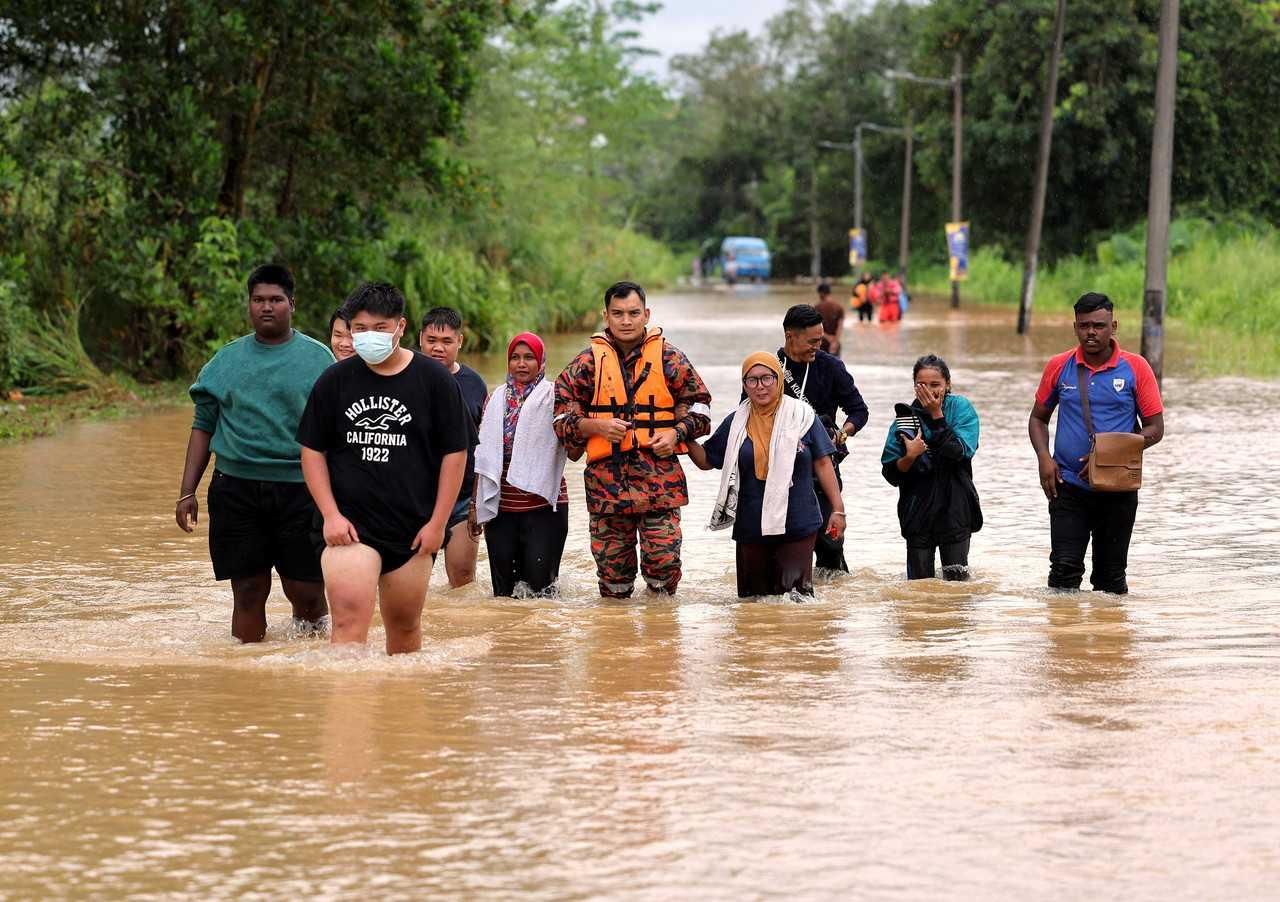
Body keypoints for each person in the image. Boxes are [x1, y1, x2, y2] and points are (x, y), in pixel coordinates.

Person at [296, 282, 468, 654]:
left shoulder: (435, 381)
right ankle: (347, 707)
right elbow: (311, 451)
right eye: (359, 329)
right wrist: (330, 515)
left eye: (380, 328)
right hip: (349, 528)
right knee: (347, 625)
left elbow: (455, 455)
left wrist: (438, 524)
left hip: (413, 528)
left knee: (405, 630)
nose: (367, 337)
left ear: (401, 327)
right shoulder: (334, 381)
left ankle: (399, 709)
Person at [177, 263, 334, 642]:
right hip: (236, 491)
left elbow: (335, 433)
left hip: (301, 492)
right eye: (258, 299)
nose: (267, 307)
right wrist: (187, 491)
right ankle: (246, 682)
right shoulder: (226, 361)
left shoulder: (319, 360)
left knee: (307, 593)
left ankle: (313, 669)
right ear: (248, 304)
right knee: (247, 591)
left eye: (276, 300)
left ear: (292, 304)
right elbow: (203, 426)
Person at [554, 280, 712, 598]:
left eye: (633, 313)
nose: (626, 321)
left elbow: (702, 410)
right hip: (606, 490)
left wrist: (676, 433)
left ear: (646, 314)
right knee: (613, 582)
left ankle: (661, 640)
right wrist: (596, 428)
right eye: (618, 313)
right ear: (606, 316)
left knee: (665, 571)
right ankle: (616, 644)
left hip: (661, 487)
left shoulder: (670, 359)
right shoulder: (586, 364)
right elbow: (559, 419)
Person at [1028, 292, 1164, 594]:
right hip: (1067, 487)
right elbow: (1038, 419)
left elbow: (1155, 429)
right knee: (1063, 571)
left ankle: (1110, 639)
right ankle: (1064, 638)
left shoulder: (1136, 368)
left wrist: (1107, 453)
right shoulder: (1058, 366)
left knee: (1110, 579)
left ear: (1113, 326)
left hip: (1118, 490)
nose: (1091, 332)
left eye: (1099, 325)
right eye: (1084, 325)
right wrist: (1043, 458)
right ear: (1075, 327)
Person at [686, 353, 845, 599]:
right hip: (751, 525)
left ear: (779, 379)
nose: (760, 386)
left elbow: (824, 463)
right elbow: (707, 460)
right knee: (753, 604)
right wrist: (682, 434)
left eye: (767, 378)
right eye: (752, 380)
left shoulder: (802, 416)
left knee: (796, 602)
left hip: (798, 523)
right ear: (744, 385)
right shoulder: (736, 421)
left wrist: (837, 509)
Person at [773, 304, 869, 572]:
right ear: (790, 336)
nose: (818, 346)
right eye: (812, 341)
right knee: (784, 546)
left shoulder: (831, 367)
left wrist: (842, 433)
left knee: (831, 544)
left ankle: (833, 606)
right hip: (780, 472)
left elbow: (859, 410)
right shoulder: (769, 370)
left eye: (821, 340)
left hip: (823, 467)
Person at [473, 332, 569, 597]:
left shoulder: (554, 397)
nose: (521, 364)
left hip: (543, 508)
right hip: (502, 508)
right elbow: (481, 455)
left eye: (529, 357)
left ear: (541, 362)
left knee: (541, 594)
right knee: (503, 595)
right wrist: (474, 505)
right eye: (515, 357)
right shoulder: (495, 399)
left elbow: (570, 443)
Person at [881, 354, 982, 580]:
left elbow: (959, 452)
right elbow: (890, 473)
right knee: (918, 587)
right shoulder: (905, 417)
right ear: (915, 387)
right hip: (916, 510)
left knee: (957, 585)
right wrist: (909, 457)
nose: (929, 391)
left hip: (955, 508)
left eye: (935, 385)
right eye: (922, 385)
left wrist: (937, 416)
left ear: (948, 385)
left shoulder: (961, 409)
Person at [418, 306, 489, 588]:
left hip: (462, 499)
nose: (438, 348)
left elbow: (484, 447)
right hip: (417, 498)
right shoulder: (406, 378)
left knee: (463, 582)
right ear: (420, 338)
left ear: (460, 341)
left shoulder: (474, 384)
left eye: (447, 342)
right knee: (412, 581)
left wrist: (477, 502)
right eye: (431, 341)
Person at [814, 281, 845, 356]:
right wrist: (835, 341)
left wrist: (828, 338)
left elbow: (815, 327)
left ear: (821, 293)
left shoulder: (817, 307)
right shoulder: (839, 307)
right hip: (835, 345)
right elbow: (840, 327)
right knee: (836, 366)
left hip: (821, 344)